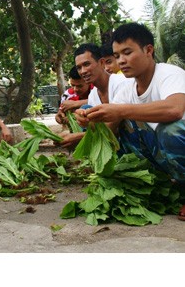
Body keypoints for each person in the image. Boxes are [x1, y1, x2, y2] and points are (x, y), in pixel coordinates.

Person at [76, 23, 185, 220]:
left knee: (170, 130)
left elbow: (174, 109)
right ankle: (163, 184)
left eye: (127, 52)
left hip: (177, 141)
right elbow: (110, 130)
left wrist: (120, 110)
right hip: (162, 155)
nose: (122, 61)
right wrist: (89, 122)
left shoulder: (169, 74)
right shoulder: (128, 89)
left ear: (148, 50)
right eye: (117, 56)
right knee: (120, 130)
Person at [58, 43, 131, 148]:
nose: (83, 71)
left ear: (101, 63)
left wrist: (79, 137)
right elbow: (103, 129)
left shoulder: (121, 83)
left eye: (87, 64)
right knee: (86, 111)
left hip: (136, 139)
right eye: (79, 67)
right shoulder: (93, 95)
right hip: (117, 141)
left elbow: (113, 127)